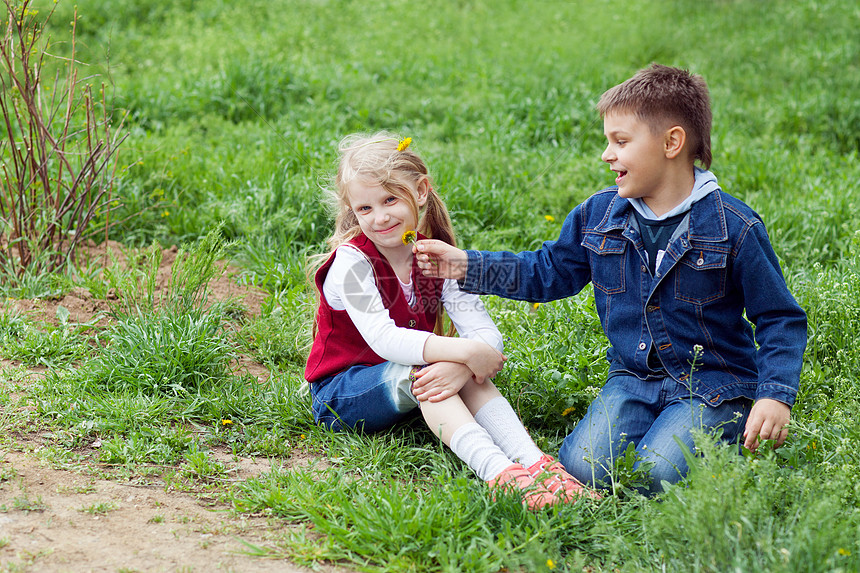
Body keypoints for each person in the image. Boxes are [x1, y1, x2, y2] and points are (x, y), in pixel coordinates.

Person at [414, 65, 807, 495]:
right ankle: (663, 430)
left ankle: (725, 429)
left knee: (657, 474)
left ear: (672, 143)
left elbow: (779, 317)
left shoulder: (734, 227)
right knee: (582, 466)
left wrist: (774, 395)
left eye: (621, 142)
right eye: (608, 142)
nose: (607, 154)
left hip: (713, 385)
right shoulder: (598, 216)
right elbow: (547, 272)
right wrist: (465, 265)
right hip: (634, 377)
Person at [304, 132, 599, 508]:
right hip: (343, 394)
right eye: (364, 209)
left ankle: (535, 463)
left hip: (414, 379)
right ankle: (499, 474)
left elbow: (485, 336)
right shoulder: (351, 263)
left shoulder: (436, 257)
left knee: (448, 367)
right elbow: (384, 339)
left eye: (390, 199)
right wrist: (464, 353)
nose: (379, 217)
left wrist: (465, 364)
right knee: (432, 370)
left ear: (422, 190)